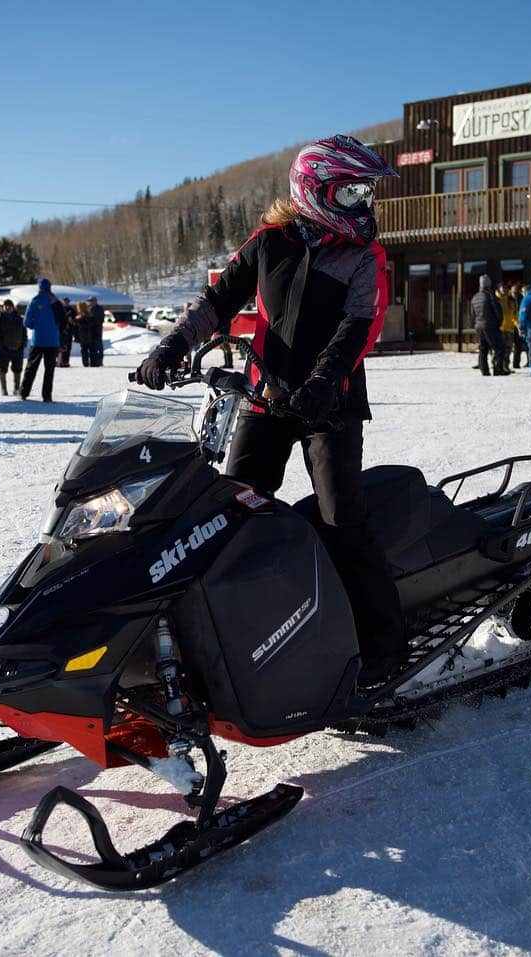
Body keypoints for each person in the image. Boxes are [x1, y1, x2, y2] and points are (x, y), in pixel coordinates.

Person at [134, 133, 407, 687]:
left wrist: (324, 382)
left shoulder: (362, 256)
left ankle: (384, 648)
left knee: (340, 519)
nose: (365, 206)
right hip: (266, 399)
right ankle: (229, 634)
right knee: (229, 511)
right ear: (315, 191)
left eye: (365, 195)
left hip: (330, 405)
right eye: (353, 194)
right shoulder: (268, 243)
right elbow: (216, 303)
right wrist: (171, 345)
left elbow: (359, 328)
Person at [20, 278, 63, 402]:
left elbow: (26, 322)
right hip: (52, 341)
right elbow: (63, 319)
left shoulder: (34, 301)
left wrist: (35, 326)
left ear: (39, 288)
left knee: (31, 367)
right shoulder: (56, 302)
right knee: (49, 370)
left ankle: (24, 392)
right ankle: (47, 396)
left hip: (37, 340)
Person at [470, 275, 506, 376]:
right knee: (499, 347)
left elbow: (473, 314)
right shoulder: (491, 296)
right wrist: (499, 322)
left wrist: (475, 324)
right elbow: (498, 311)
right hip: (490, 325)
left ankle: (484, 370)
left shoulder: (475, 297)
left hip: (479, 326)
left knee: (483, 348)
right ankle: (498, 368)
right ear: (489, 285)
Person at [0, 298, 26, 395]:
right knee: (2, 369)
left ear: (13, 307)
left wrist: (23, 345)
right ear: (2, 307)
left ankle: (16, 388)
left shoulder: (19, 319)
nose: (8, 307)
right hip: (4, 349)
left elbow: (24, 333)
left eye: (9, 306)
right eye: (6, 306)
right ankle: (4, 389)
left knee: (18, 369)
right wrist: (0, 346)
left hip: (18, 348)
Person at [75, 299, 104, 368]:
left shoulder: (79, 318)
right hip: (92, 336)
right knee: (93, 350)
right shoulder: (90, 316)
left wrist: (77, 337)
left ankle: (86, 363)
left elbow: (76, 329)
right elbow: (94, 326)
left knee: (84, 350)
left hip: (83, 337)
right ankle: (94, 363)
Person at [86, 296, 107, 367]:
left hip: (97, 331)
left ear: (95, 301)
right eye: (89, 301)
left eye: (91, 301)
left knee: (99, 347)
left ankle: (100, 361)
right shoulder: (87, 309)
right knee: (91, 348)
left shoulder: (99, 309)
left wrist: (92, 320)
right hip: (89, 332)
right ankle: (93, 361)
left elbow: (100, 319)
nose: (90, 302)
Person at [56, 295, 74, 367]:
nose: (66, 302)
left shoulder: (71, 310)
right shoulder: (59, 309)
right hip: (60, 331)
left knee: (67, 347)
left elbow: (73, 320)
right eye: (64, 301)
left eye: (67, 301)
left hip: (69, 331)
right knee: (59, 347)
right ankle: (59, 361)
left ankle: (66, 361)